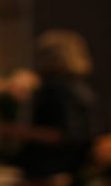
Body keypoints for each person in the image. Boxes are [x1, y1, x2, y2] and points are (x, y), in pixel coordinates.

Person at [17, 31, 105, 178]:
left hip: (53, 168)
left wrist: (15, 131)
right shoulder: (82, 87)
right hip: (80, 167)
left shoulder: (54, 88)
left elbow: (64, 135)